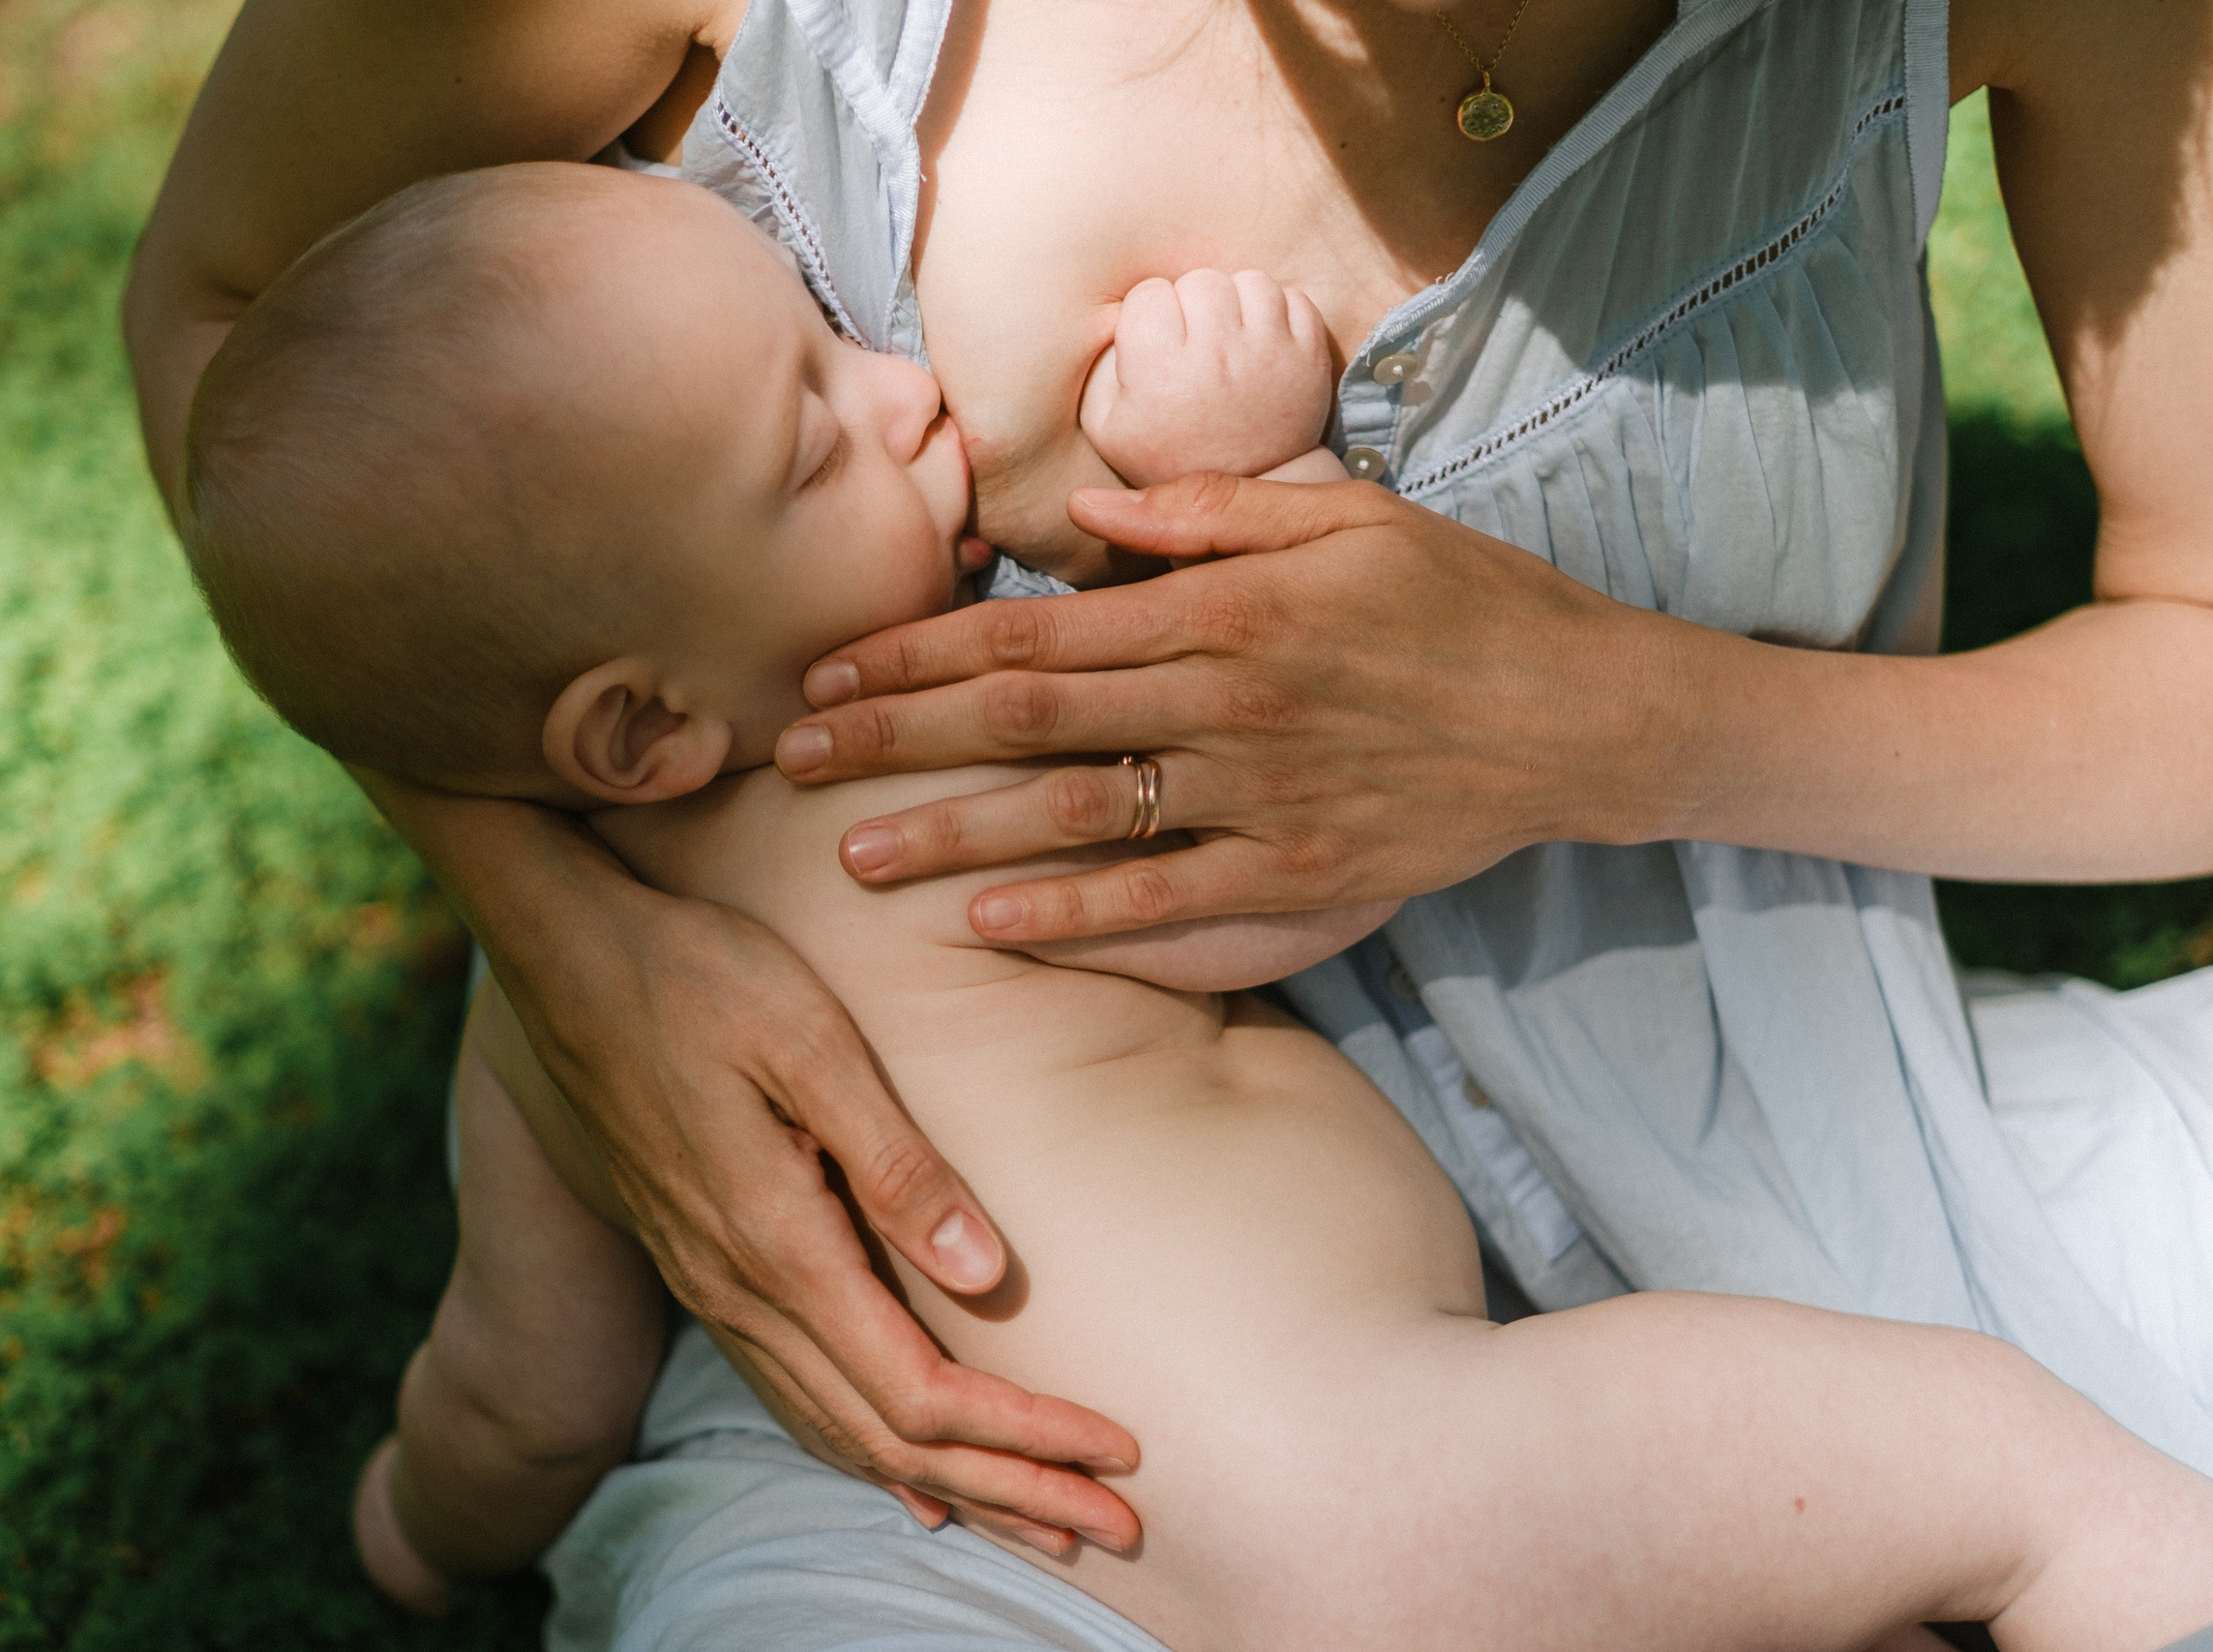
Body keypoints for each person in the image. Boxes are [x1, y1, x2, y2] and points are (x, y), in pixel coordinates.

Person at [121, 0, 2213, 1636]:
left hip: (1103, 1526)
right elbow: (1285, 777)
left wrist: (419, 1517)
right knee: (2000, 1462)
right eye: (814, 437)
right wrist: (1250, 455)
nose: (901, 396)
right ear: (639, 727)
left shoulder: (570, 1011)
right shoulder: (932, 765)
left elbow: (521, 1380)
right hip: (1398, 1472)